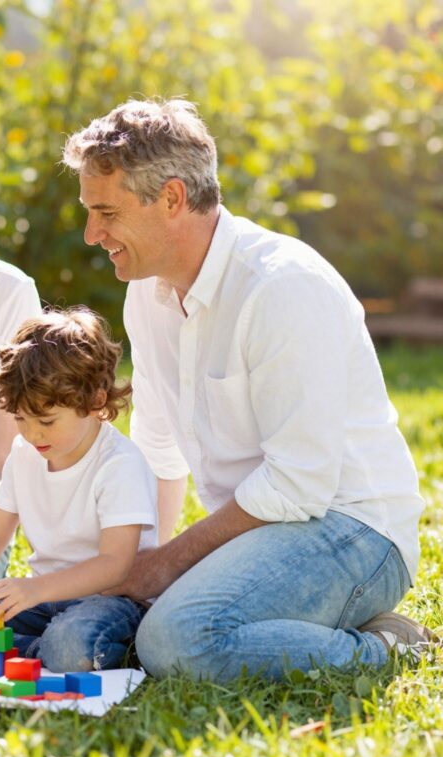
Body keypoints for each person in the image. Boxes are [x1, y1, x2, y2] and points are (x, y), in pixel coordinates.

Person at [60, 98, 433, 682]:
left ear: (173, 198)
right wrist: (137, 568)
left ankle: (386, 647)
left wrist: (167, 568)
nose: (91, 234)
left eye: (105, 212)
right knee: (129, 617)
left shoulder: (282, 288)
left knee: (179, 641)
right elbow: (157, 446)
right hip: (267, 530)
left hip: (353, 530)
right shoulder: (148, 292)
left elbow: (299, 482)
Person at [0, 308, 157, 671]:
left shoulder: (119, 464)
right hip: (45, 599)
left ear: (96, 401)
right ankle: (38, 651)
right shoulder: (25, 454)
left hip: (113, 600)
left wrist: (35, 590)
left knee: (69, 645)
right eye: (20, 419)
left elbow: (116, 565)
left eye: (47, 421)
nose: (32, 434)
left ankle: (43, 652)